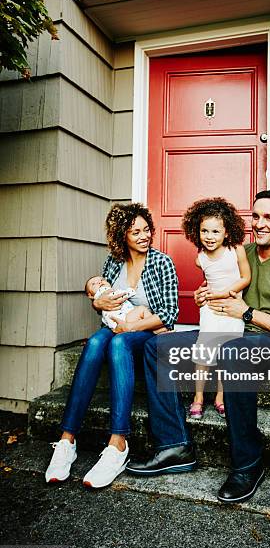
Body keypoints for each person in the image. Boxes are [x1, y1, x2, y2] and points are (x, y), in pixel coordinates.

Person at [126, 190, 270, 504]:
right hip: (229, 328)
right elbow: (217, 282)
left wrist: (248, 313)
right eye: (256, 216)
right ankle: (174, 444)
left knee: (232, 354)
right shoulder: (240, 250)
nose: (261, 223)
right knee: (155, 346)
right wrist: (204, 294)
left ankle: (248, 464)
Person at [45, 203, 178, 489]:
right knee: (95, 342)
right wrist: (97, 302)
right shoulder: (113, 262)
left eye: (146, 230)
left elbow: (169, 313)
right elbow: (102, 302)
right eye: (135, 232)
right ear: (122, 236)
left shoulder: (162, 262)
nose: (144, 236)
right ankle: (67, 440)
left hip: (146, 332)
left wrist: (129, 327)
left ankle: (118, 443)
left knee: (118, 343)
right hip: (115, 326)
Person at [181, 198, 251, 419]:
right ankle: (198, 397)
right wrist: (207, 295)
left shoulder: (236, 250)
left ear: (227, 233)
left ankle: (221, 397)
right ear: (197, 231)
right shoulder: (200, 258)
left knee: (226, 353)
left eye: (215, 232)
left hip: (232, 309)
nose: (209, 237)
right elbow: (207, 282)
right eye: (204, 231)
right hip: (211, 310)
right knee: (204, 352)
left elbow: (246, 278)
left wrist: (224, 293)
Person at [85, 275, 167, 334]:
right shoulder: (105, 291)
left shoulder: (103, 294)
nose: (99, 282)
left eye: (102, 280)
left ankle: (153, 328)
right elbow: (121, 295)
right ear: (90, 295)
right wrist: (131, 290)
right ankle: (155, 328)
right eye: (93, 284)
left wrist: (113, 326)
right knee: (141, 309)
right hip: (125, 319)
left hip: (116, 324)